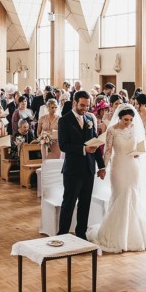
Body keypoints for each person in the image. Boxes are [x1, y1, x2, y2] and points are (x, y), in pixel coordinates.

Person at [88, 106, 146, 252]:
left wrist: (138, 153)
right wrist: (103, 168)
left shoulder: (135, 128)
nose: (128, 123)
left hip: (132, 166)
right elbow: (108, 151)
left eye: (130, 120)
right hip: (118, 167)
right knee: (120, 196)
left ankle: (135, 234)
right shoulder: (112, 130)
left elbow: (140, 147)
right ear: (119, 118)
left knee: (133, 196)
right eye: (125, 120)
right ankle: (116, 235)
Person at [57, 90, 106, 240]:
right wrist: (83, 149)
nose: (85, 109)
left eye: (87, 106)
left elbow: (95, 144)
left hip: (89, 169)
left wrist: (102, 166)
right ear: (74, 103)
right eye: (82, 105)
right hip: (72, 170)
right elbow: (63, 146)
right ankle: (63, 235)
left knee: (85, 204)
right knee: (69, 204)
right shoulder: (64, 121)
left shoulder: (89, 120)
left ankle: (81, 234)